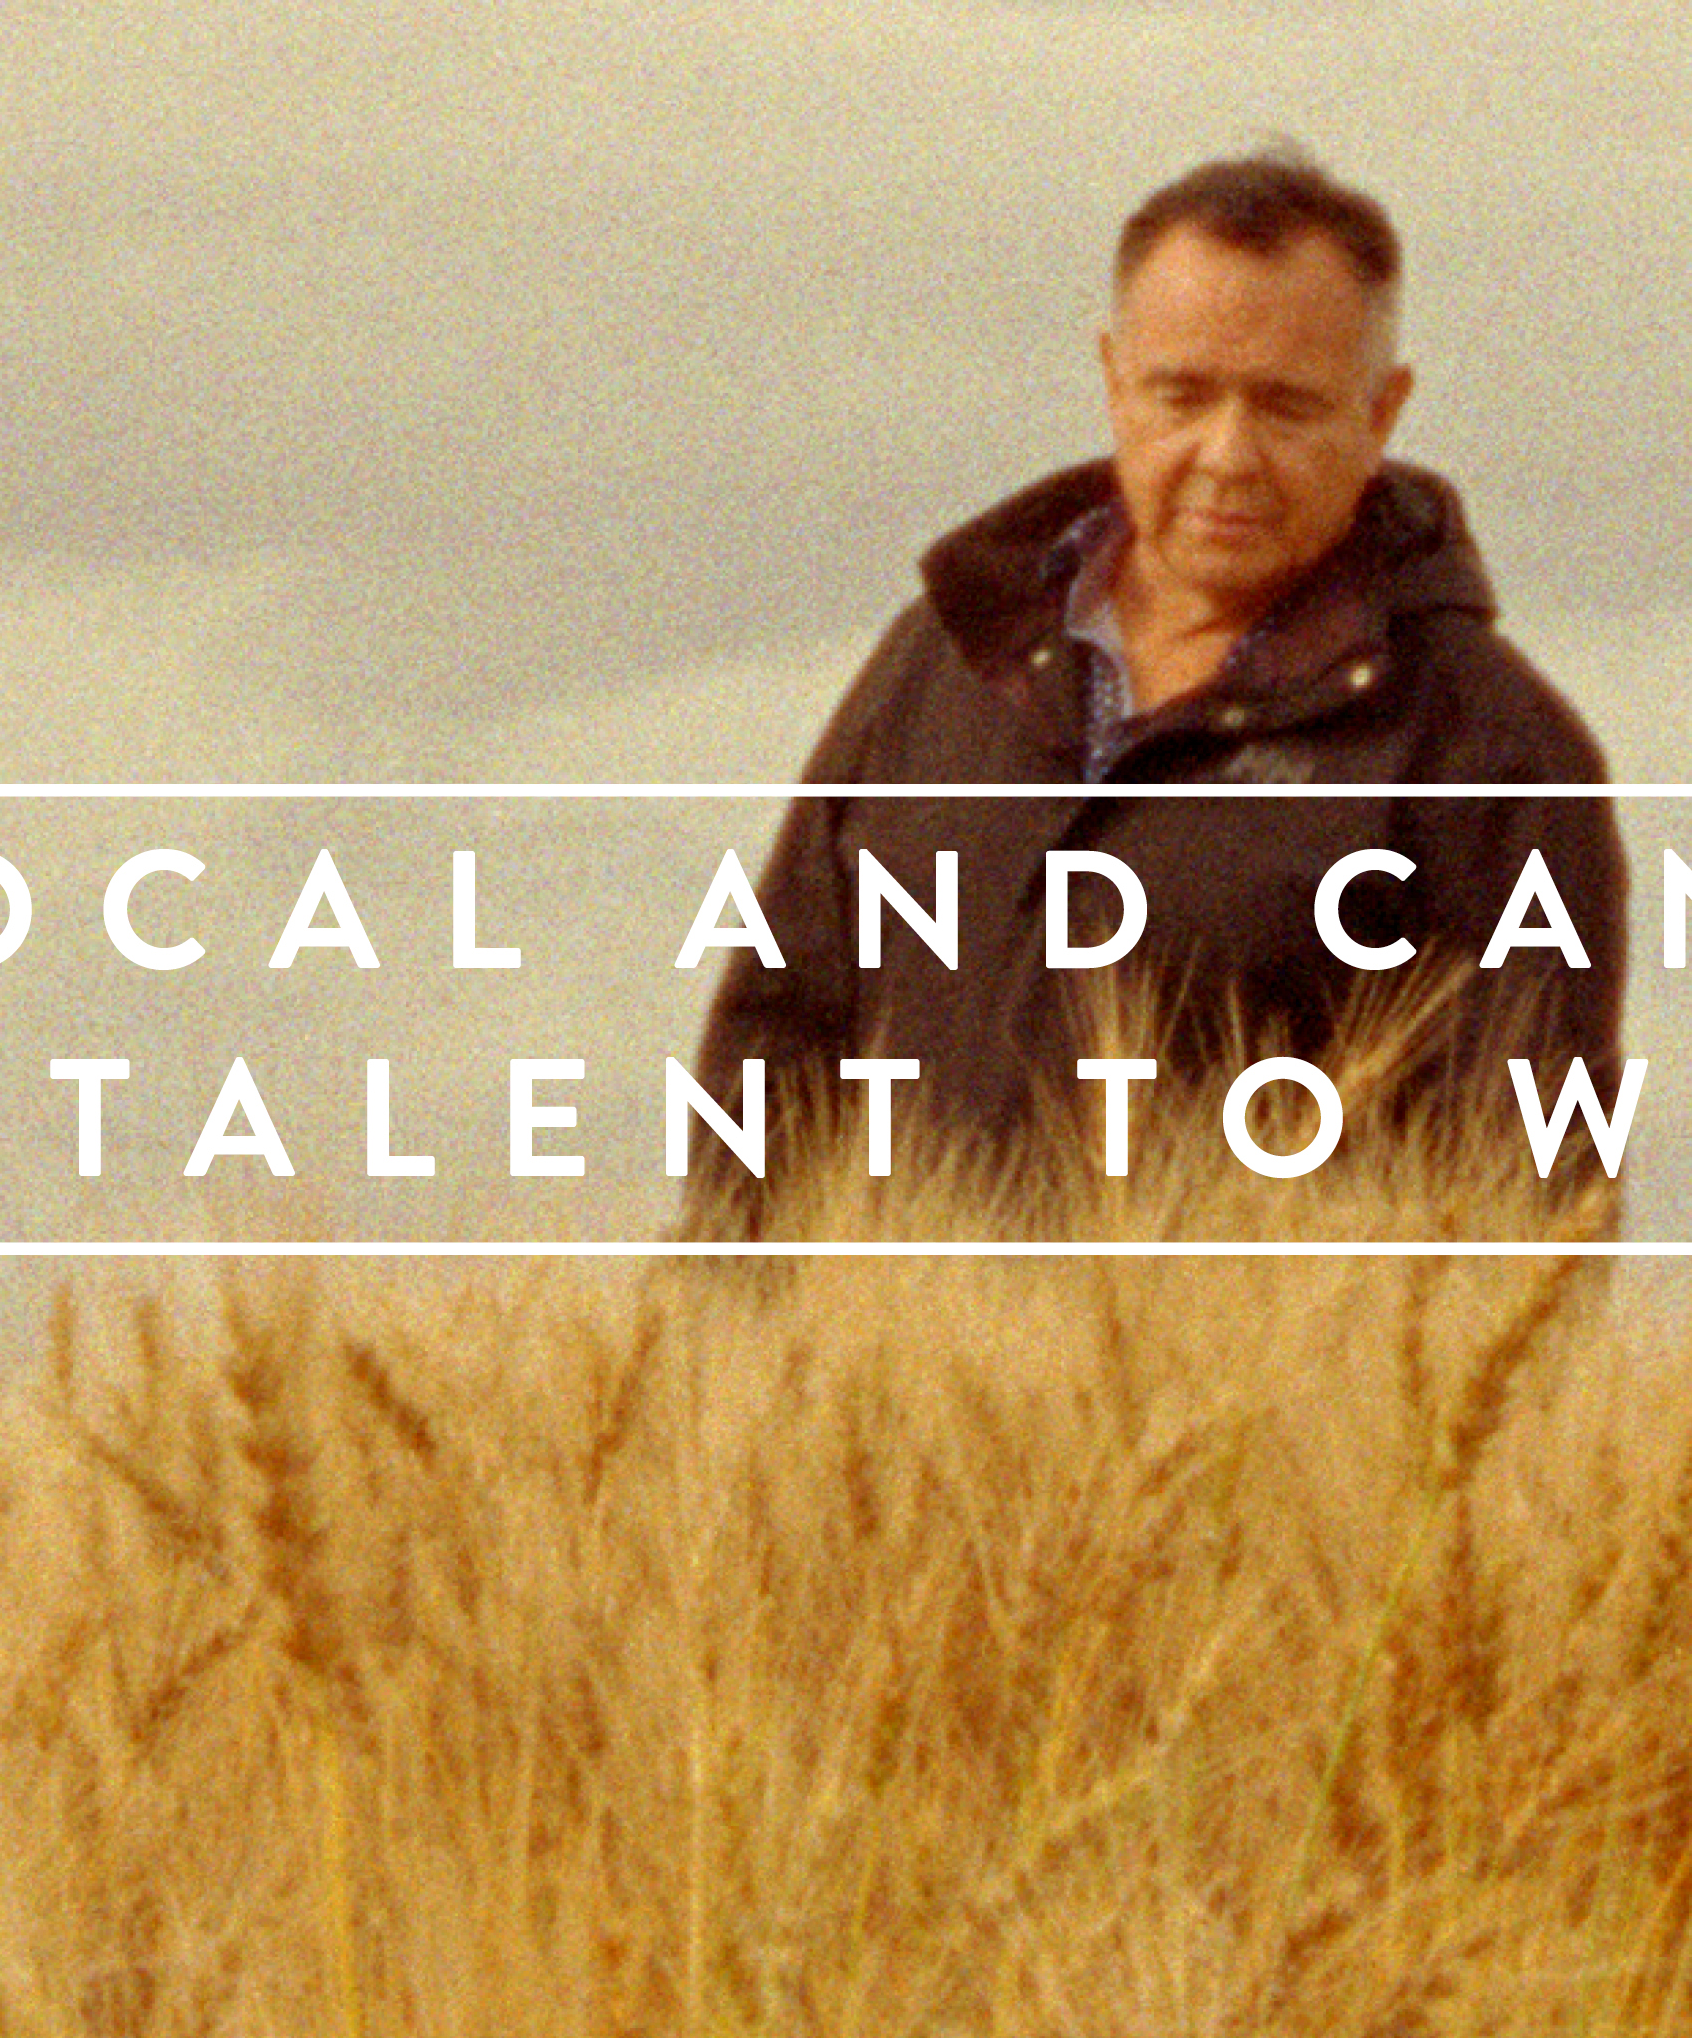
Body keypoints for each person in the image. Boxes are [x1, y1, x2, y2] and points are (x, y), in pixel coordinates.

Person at [685, 149, 1626, 1229]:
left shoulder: (1488, 753)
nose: (1226, 454)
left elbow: (1522, 1196)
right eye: (1181, 395)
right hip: (881, 1387)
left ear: (1381, 412)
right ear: (1110, 378)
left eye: (1285, 407)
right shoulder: (948, 656)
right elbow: (778, 1037)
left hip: (1243, 1394)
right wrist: (727, 1347)